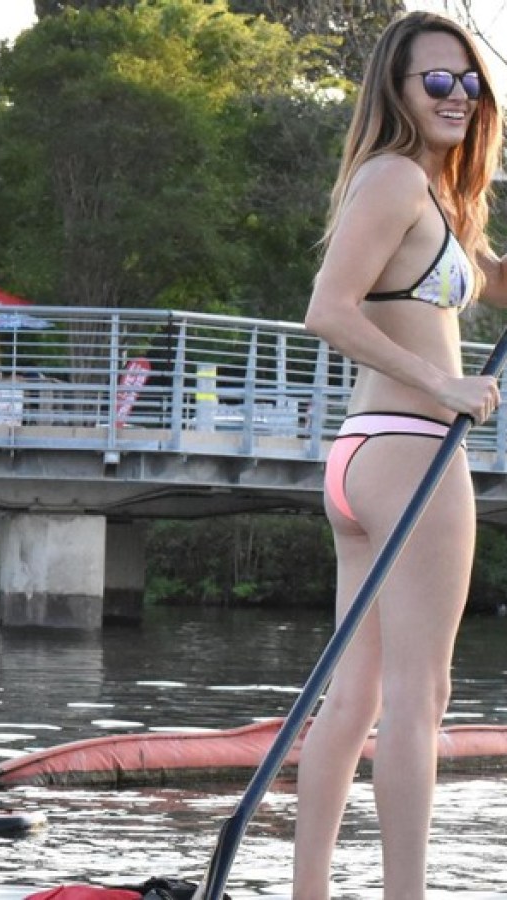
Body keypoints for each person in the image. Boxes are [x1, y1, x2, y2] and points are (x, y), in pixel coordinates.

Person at [297, 12, 506, 898]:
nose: (457, 96)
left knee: (356, 700)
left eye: (469, 83)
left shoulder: (427, 192)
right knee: (422, 700)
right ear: (398, 90)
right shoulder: (390, 179)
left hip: (364, 460)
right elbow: (329, 309)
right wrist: (447, 385)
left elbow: (485, 274)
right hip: (411, 452)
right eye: (437, 82)